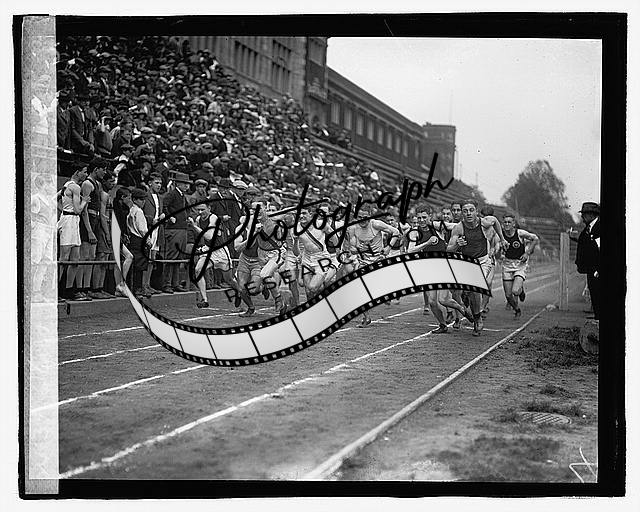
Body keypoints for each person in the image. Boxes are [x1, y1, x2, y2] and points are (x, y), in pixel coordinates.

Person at [446, 199, 507, 337]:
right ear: (462, 213)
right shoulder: (459, 228)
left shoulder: (484, 222)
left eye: (471, 210)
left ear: (476, 211)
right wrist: (457, 244)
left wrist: (502, 239)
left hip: (483, 261)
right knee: (471, 291)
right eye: (465, 211)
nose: (468, 213)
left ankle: (477, 319)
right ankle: (472, 307)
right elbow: (449, 249)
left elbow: (495, 221)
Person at [407, 205, 471, 333]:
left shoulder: (437, 227)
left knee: (443, 300)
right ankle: (443, 325)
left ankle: (461, 308)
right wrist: (427, 243)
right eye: (419, 218)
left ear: (430, 216)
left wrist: (468, 229)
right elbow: (410, 250)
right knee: (432, 302)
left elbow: (455, 226)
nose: (421, 220)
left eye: (424, 217)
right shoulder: (415, 232)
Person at [343, 205, 400, 327]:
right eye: (360, 217)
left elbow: (396, 232)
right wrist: (358, 249)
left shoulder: (376, 224)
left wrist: (388, 247)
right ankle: (366, 316)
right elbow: (352, 249)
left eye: (365, 217)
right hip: (364, 261)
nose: (362, 220)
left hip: (379, 259)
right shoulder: (353, 228)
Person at [189, 201, 246, 309]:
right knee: (198, 270)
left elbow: (209, 236)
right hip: (209, 250)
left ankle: (239, 291)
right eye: (198, 210)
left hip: (220, 251)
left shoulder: (213, 218)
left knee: (228, 279)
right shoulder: (198, 219)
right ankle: (204, 299)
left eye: (202, 209)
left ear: (209, 208)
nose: (200, 212)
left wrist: (194, 227)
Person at [57, 165, 90, 301]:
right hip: (69, 221)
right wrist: (84, 201)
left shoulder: (67, 185)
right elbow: (78, 210)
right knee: (64, 257)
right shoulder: (74, 187)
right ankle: (56, 291)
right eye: (84, 172)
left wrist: (63, 209)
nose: (86, 175)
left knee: (75, 258)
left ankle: (68, 290)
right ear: (77, 172)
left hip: (72, 221)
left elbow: (56, 198)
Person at [501, 214, 539, 318]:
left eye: (509, 222)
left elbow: (535, 238)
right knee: (508, 295)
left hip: (520, 264)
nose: (507, 224)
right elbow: (494, 244)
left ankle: (520, 290)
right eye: (505, 222)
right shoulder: (500, 234)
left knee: (515, 291)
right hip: (507, 265)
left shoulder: (520, 233)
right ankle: (517, 309)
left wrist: (527, 253)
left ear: (513, 224)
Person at [79, 158, 107, 299]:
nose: (105, 172)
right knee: (84, 257)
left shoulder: (97, 184)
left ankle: (88, 288)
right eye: (103, 169)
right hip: (88, 221)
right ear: (96, 169)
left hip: (95, 220)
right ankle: (80, 288)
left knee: (91, 257)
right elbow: (84, 210)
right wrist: (89, 230)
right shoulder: (87, 184)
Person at [161, 171, 191, 293]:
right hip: (174, 229)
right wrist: (170, 217)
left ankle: (175, 283)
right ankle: (167, 284)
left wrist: (187, 217)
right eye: (184, 183)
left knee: (178, 257)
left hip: (181, 228)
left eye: (187, 184)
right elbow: (164, 206)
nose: (186, 185)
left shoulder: (182, 195)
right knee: (172, 257)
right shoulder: (172, 194)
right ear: (178, 183)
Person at [91, 171, 117, 299]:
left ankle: (100, 288)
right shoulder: (103, 195)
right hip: (103, 228)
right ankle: (95, 288)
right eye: (110, 181)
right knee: (101, 257)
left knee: (105, 259)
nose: (113, 184)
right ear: (104, 181)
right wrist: (106, 233)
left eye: (114, 181)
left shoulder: (108, 195)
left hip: (108, 226)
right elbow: (102, 215)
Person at [574, 202, 600, 320]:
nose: (582, 217)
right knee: (594, 292)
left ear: (591, 215)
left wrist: (598, 269)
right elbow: (586, 243)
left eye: (584, 214)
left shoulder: (599, 227)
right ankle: (597, 316)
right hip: (590, 268)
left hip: (597, 268)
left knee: (598, 292)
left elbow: (599, 248)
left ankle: (600, 318)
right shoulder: (588, 228)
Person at [142, 173, 165, 295]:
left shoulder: (160, 198)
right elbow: (140, 213)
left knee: (152, 259)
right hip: (148, 229)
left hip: (157, 230)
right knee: (146, 259)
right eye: (156, 183)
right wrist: (152, 220)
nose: (159, 185)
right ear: (150, 183)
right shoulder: (145, 196)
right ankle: (142, 285)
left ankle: (148, 284)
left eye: (160, 183)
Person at [127, 188, 152, 298]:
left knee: (135, 265)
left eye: (144, 199)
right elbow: (142, 229)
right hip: (139, 239)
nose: (143, 201)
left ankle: (133, 288)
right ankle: (137, 289)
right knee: (140, 266)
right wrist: (148, 240)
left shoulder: (131, 210)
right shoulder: (139, 212)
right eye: (141, 199)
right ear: (134, 199)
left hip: (132, 239)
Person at [113, 187, 135, 296]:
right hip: (115, 236)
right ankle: (122, 283)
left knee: (120, 261)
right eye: (128, 198)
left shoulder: (124, 207)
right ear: (122, 197)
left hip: (121, 235)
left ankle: (119, 287)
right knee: (129, 257)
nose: (130, 200)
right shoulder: (116, 207)